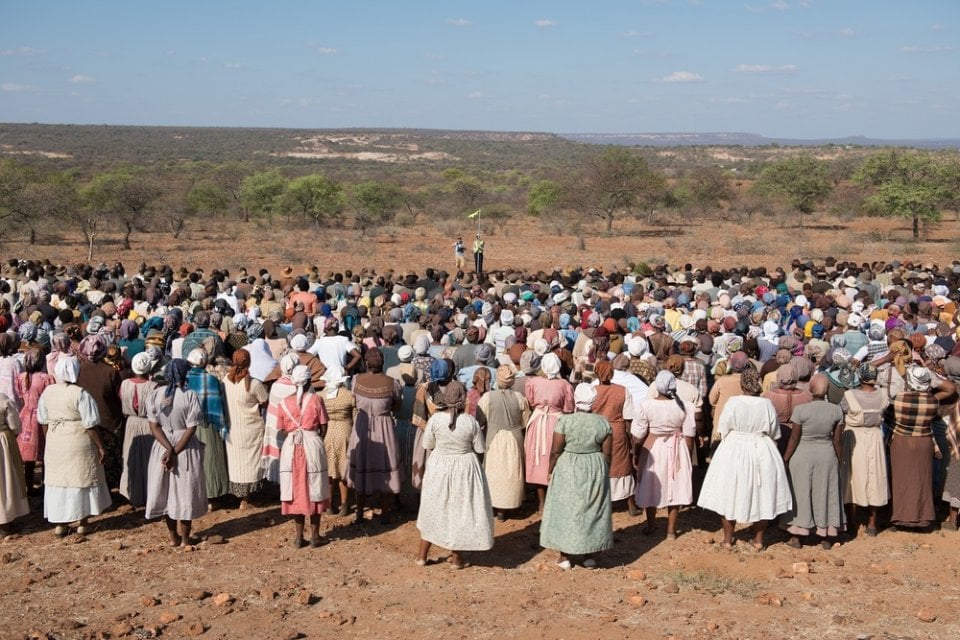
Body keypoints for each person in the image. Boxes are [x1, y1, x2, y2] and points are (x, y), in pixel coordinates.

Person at [697, 368, 792, 550]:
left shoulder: (733, 403)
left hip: (734, 448)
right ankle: (758, 540)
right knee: (763, 493)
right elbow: (774, 433)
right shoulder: (766, 404)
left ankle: (727, 539)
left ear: (742, 385)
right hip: (761, 448)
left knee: (729, 492)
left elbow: (723, 428)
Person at [415, 375, 493, 569]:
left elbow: (428, 444)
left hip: (439, 467)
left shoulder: (434, 421)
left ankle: (421, 556)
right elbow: (480, 448)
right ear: (464, 398)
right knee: (460, 509)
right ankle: (457, 559)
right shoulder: (470, 422)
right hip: (465, 468)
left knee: (433, 508)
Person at [539, 383, 613, 570]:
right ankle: (588, 556)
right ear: (593, 401)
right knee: (591, 509)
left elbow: (556, 450)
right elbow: (607, 452)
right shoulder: (602, 422)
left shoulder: (565, 421)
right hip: (594, 464)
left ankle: (564, 556)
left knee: (566, 508)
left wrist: (550, 469)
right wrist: (602, 468)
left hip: (569, 465)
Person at [38, 356, 111, 537]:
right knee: (81, 479)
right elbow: (90, 424)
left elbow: (43, 420)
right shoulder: (80, 393)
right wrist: (101, 447)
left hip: (56, 439)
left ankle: (60, 524)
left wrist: (50, 438)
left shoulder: (48, 392)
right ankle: (82, 523)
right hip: (78, 440)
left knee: (59, 482)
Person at [144, 359, 207, 547]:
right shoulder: (189, 395)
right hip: (184, 447)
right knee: (185, 491)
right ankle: (185, 539)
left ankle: (173, 537)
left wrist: (168, 449)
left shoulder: (155, 394)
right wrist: (175, 451)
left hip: (161, 446)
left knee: (165, 491)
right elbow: (191, 428)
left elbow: (154, 426)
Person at [782, 374, 845, 549]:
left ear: (810, 389)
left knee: (800, 493)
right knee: (825, 493)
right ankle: (825, 535)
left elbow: (794, 438)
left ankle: (797, 535)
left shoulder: (800, 410)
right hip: (826, 455)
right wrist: (840, 460)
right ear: (827, 390)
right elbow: (837, 440)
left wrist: (785, 458)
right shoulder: (836, 410)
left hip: (802, 454)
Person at [885, 365, 952, 529]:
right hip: (924, 442)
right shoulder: (932, 402)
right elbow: (949, 389)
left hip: (901, 442)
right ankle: (923, 517)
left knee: (899, 480)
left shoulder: (897, 399)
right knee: (922, 479)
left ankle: (900, 517)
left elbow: (887, 418)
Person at [632, 370, 696, 539]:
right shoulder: (684, 406)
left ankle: (652, 525)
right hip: (678, 448)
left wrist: (637, 452)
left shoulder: (647, 405)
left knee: (651, 484)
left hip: (653, 447)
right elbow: (689, 435)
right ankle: (671, 531)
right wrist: (687, 455)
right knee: (676, 486)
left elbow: (638, 435)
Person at [276, 365, 331, 548]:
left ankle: (299, 537)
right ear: (308, 380)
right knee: (315, 487)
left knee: (295, 489)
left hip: (291, 448)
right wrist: (313, 437)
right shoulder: (316, 400)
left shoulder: (283, 403)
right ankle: (315, 536)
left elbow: (283, 428)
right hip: (312, 445)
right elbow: (323, 426)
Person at [347, 348, 403, 524]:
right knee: (386, 464)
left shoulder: (356, 381)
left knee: (362, 465)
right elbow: (397, 406)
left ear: (366, 363)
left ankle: (359, 515)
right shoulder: (392, 383)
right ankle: (385, 513)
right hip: (384, 428)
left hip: (362, 427)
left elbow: (354, 402)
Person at [840, 362, 890, 537]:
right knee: (875, 476)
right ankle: (872, 523)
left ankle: (852, 522)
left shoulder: (849, 395)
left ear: (860, 376)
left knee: (853, 478)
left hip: (854, 437)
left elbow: (841, 412)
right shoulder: (883, 395)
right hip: (875, 437)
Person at [476, 365, 530, 521]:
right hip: (514, 438)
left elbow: (479, 420)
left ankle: (492, 505)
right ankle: (504, 510)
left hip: (493, 438)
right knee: (511, 473)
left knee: (493, 472)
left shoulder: (487, 398)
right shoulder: (520, 398)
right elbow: (524, 421)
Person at [524, 352, 574, 513]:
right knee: (555, 460)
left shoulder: (533, 382)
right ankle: (555, 501)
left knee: (538, 460)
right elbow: (569, 408)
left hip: (538, 422)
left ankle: (541, 503)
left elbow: (531, 402)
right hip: (556, 424)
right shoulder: (564, 385)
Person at [222, 349, 269, 509]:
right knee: (252, 464)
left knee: (237, 465)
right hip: (252, 430)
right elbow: (265, 401)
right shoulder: (254, 384)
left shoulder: (226, 381)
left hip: (233, 430)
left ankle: (241, 496)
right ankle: (247, 499)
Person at [592, 360, 637, 515]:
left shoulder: (591, 390)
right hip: (617, 431)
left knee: (598, 466)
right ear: (612, 373)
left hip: (597, 430)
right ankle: (631, 505)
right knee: (622, 465)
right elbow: (629, 418)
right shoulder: (622, 391)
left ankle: (599, 503)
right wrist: (631, 440)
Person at [185, 348, 229, 507]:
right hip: (210, 425)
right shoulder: (211, 380)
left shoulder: (185, 380)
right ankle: (212, 495)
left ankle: (196, 494)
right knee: (210, 459)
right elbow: (219, 406)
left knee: (194, 461)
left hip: (190, 427)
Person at [118, 352, 159, 507]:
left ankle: (132, 493)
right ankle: (149, 493)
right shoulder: (154, 386)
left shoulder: (124, 384)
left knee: (131, 457)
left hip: (131, 423)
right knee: (149, 459)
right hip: (149, 424)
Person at [15, 347, 54, 495]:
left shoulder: (21, 377)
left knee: (29, 455)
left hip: (25, 415)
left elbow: (20, 395)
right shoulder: (46, 378)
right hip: (42, 416)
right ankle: (45, 484)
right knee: (44, 451)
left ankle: (28, 486)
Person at [322, 374, 355, 516]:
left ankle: (329, 505)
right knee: (344, 470)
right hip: (345, 432)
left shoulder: (321, 396)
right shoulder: (350, 395)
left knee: (330, 471)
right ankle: (345, 504)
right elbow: (355, 417)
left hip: (327, 434)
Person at [0, 388, 29, 533]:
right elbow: (14, 424)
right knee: (5, 480)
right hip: (2, 442)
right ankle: (4, 522)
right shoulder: (2, 398)